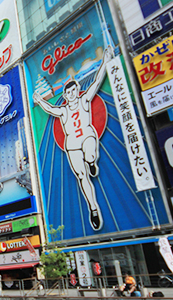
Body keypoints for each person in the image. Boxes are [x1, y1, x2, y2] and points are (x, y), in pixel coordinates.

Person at [33, 45, 113, 231]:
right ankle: (93, 208)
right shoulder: (63, 110)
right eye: (67, 93)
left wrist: (106, 60)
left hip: (87, 136)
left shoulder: (85, 100)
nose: (71, 95)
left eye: (73, 91)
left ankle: (92, 161)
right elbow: (49, 109)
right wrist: (39, 100)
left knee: (90, 152)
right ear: (66, 96)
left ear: (77, 91)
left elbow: (97, 80)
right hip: (72, 145)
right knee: (81, 176)